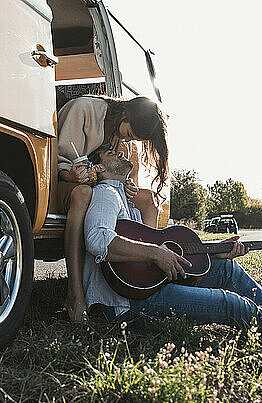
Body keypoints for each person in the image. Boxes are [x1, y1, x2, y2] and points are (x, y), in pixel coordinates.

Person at [81, 144, 262, 345]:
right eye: (110, 152)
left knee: (227, 270)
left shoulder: (126, 200)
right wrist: (156, 253)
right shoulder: (106, 194)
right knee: (226, 302)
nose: (120, 151)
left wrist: (213, 249)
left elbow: (161, 245)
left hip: (146, 287)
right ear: (98, 165)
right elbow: (97, 239)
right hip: (124, 305)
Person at [57, 95, 167, 322]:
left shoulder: (118, 132)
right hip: (61, 181)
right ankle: (75, 293)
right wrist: (72, 175)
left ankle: (143, 271)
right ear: (125, 114)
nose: (125, 141)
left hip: (96, 181)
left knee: (148, 199)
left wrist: (125, 184)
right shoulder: (83, 110)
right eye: (129, 134)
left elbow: (109, 170)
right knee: (83, 193)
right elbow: (59, 160)